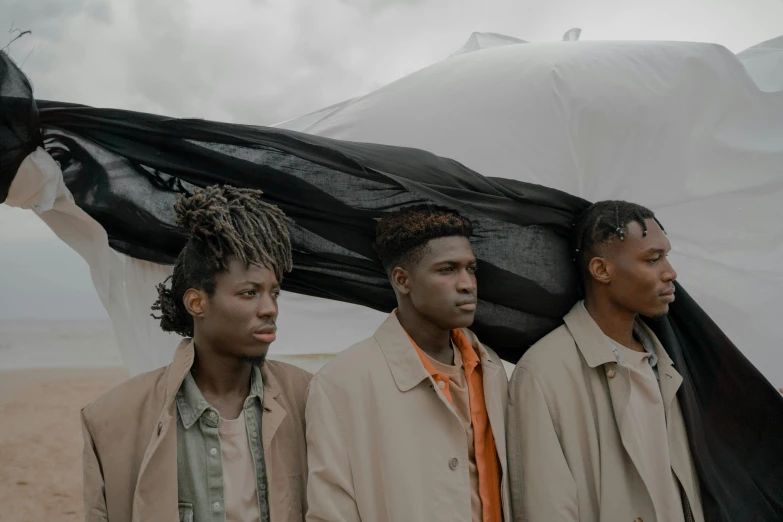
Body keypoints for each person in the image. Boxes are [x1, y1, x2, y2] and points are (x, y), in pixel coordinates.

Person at [81, 185, 312, 522]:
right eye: (249, 293)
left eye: (274, 293)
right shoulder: (111, 419)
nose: (270, 308)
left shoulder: (308, 398)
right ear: (197, 303)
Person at [305, 204, 510, 522]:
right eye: (447, 269)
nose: (468, 283)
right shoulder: (342, 382)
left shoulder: (491, 368)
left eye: (471, 269)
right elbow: (330, 512)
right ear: (402, 280)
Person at [506, 200, 704, 522]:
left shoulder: (671, 363)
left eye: (666, 256)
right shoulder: (543, 374)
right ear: (601, 270)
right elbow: (545, 508)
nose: (670, 273)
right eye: (653, 259)